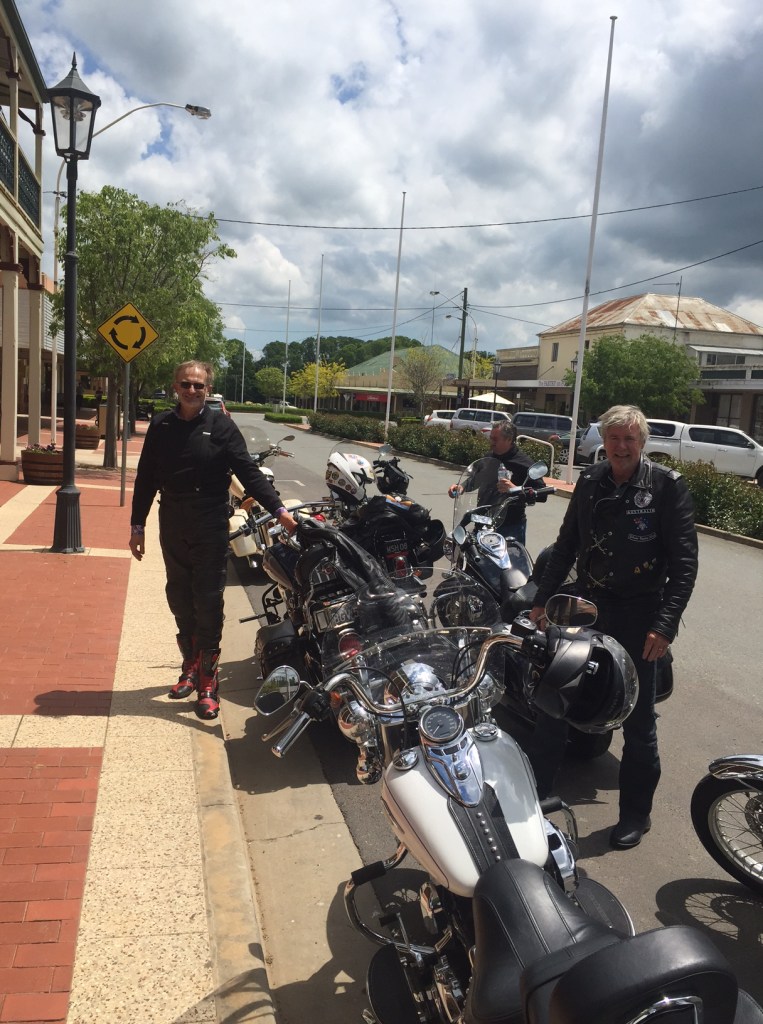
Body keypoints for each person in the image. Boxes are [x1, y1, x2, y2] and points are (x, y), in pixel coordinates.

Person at [526, 404, 698, 849]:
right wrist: (542, 600)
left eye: (629, 439)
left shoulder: (666, 486)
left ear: (642, 442)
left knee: (639, 723)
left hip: (640, 616)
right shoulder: (590, 481)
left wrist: (665, 625)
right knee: (554, 700)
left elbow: (684, 566)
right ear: (603, 441)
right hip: (587, 608)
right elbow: (565, 545)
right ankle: (535, 795)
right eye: (614, 438)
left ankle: (636, 815)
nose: (621, 447)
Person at [129, 360, 298, 720]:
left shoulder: (221, 426)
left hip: (209, 521)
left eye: (198, 385)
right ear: (175, 386)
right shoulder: (161, 425)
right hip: (173, 518)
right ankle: (189, 667)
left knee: (207, 600)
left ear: (208, 389)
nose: (192, 390)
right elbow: (146, 476)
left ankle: (209, 681)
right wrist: (137, 525)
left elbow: (248, 471)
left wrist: (279, 510)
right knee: (178, 595)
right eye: (185, 384)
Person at [448, 420, 545, 544]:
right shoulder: (488, 458)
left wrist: (515, 488)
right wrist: (461, 487)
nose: (491, 442)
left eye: (495, 439)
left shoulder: (524, 463)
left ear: (509, 439)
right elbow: (476, 479)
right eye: (491, 438)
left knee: (511, 557)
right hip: (483, 522)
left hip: (510, 527)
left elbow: (542, 494)